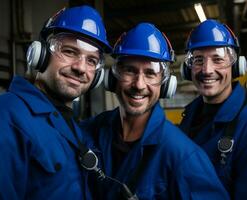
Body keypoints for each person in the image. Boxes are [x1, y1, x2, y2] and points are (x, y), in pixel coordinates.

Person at [80, 22, 229, 200]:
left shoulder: (182, 155)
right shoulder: (89, 132)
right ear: (113, 79)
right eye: (129, 71)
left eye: (150, 73)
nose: (139, 85)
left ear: (165, 85)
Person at [0, 5, 111, 199]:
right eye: (69, 52)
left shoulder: (72, 126)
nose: (80, 68)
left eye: (92, 61)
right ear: (40, 54)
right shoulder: (3, 116)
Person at [179, 19, 247, 200]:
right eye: (198, 60)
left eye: (218, 59)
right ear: (187, 70)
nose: (207, 70)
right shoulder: (189, 119)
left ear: (235, 66)